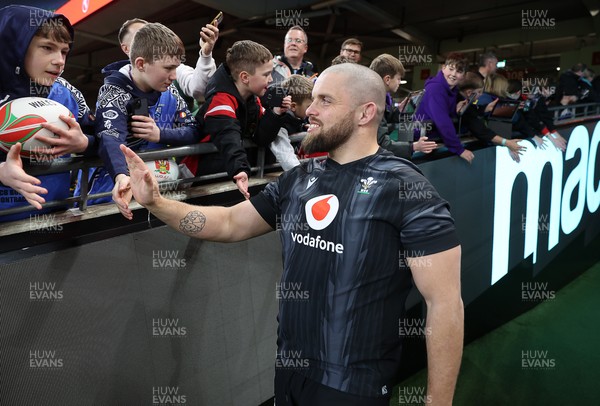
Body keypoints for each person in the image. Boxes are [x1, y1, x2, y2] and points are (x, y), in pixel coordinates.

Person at [120, 63, 463, 405]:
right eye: (312, 100)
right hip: (289, 373)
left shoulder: (407, 187)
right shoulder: (299, 179)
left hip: (352, 387)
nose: (310, 111)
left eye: (325, 101)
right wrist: (156, 202)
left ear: (365, 113)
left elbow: (444, 303)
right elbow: (228, 223)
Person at [0, 5, 96, 219]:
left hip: (56, 220)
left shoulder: (67, 94)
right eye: (47, 48)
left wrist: (84, 143)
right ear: (15, 46)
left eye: (64, 51)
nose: (60, 61)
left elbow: (107, 139)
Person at [94, 22, 199, 218]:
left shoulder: (171, 91)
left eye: (176, 67)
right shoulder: (113, 91)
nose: (174, 76)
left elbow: (193, 130)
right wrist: (122, 176)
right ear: (141, 64)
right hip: (110, 199)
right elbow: (110, 137)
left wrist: (160, 134)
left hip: (158, 197)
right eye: (168, 68)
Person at [181, 40, 290, 201]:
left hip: (231, 173)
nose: (271, 80)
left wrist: (276, 114)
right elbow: (228, 137)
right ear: (245, 77)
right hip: (205, 177)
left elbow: (260, 137)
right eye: (266, 74)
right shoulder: (220, 100)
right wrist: (240, 169)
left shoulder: (252, 99)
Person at [369, 53, 436, 159]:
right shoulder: (375, 102)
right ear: (387, 79)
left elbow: (384, 119)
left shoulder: (380, 97)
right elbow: (381, 144)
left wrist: (398, 111)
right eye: (398, 78)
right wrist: (414, 146)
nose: (400, 82)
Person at [414, 53, 475, 163]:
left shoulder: (453, 90)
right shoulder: (435, 88)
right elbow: (443, 121)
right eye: (451, 69)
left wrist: (456, 111)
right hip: (420, 142)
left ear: (464, 76)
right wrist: (459, 149)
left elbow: (445, 116)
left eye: (459, 71)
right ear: (443, 68)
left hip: (434, 139)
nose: (453, 74)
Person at [457, 73, 526, 162]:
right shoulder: (465, 102)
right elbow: (479, 128)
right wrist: (507, 142)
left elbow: (474, 111)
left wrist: (485, 108)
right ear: (469, 93)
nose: (480, 95)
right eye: (479, 92)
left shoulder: (469, 102)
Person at [269, 75, 313, 170]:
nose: (312, 110)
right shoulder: (281, 125)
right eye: (309, 106)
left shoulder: (299, 119)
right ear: (293, 106)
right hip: (278, 172)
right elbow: (286, 157)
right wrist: (300, 178)